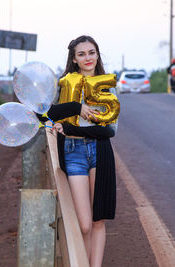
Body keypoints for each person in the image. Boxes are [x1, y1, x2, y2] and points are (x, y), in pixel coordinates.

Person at [43, 35, 116, 267]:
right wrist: (76, 107)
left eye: (92, 52)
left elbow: (109, 131)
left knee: (97, 220)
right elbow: (45, 114)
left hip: (100, 152)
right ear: (74, 59)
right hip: (74, 152)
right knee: (84, 224)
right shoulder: (65, 85)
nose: (88, 58)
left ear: (97, 55)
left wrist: (72, 127)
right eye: (82, 54)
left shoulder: (106, 85)